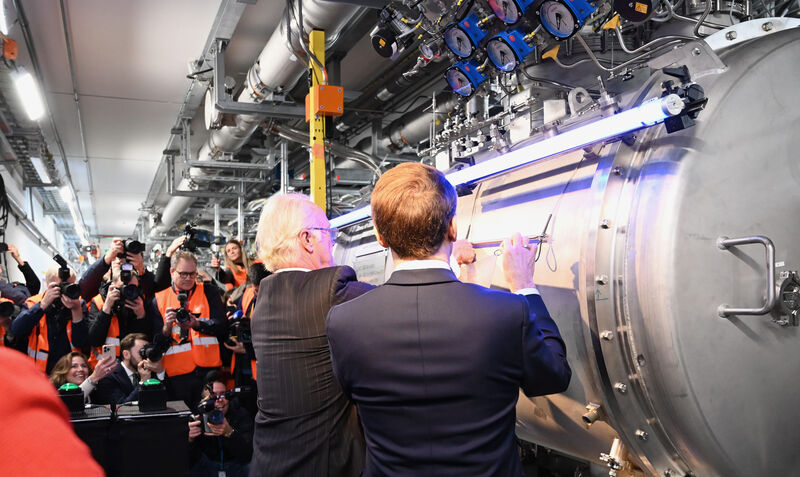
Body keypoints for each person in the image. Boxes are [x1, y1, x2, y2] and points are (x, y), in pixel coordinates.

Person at [326, 163, 572, 476]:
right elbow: (553, 376)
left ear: (380, 236)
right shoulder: (507, 313)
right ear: (453, 228)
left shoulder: (345, 321)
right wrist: (524, 286)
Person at [249, 193, 375, 477]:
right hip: (321, 464)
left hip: (271, 460)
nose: (332, 242)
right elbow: (406, 303)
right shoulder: (331, 288)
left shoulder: (265, 296)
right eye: (328, 233)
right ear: (307, 238)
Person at [0, 347, 104, 476]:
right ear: (63, 370)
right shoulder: (50, 390)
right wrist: (92, 380)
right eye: (74, 366)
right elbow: (67, 405)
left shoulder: (98, 388)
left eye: (84, 366)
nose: (80, 370)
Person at [152, 250, 226, 408]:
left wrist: (197, 324)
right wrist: (166, 327)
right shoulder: (158, 299)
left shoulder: (209, 291)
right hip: (176, 376)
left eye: (192, 274)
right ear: (172, 272)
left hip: (208, 371)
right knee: (184, 422)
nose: (188, 278)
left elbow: (222, 326)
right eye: (183, 274)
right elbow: (155, 344)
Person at [11, 264, 89, 373]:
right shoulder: (33, 302)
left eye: (71, 285)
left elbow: (81, 342)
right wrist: (42, 305)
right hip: (40, 372)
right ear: (49, 285)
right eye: (63, 286)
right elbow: (16, 330)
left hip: (70, 372)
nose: (67, 290)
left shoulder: (79, 304)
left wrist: (76, 310)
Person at [86, 267, 161, 367]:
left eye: (132, 288)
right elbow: (94, 340)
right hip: (105, 367)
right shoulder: (100, 301)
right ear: (113, 287)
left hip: (134, 366)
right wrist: (107, 307)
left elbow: (149, 340)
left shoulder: (141, 302)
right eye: (123, 287)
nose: (128, 292)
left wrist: (141, 316)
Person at [188, 371, 254, 477]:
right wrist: (190, 440)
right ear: (204, 400)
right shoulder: (197, 417)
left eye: (223, 395)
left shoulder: (240, 414)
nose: (219, 400)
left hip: (235, 465)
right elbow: (188, 460)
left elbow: (248, 455)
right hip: (208, 465)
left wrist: (230, 433)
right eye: (213, 397)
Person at [93, 332, 165, 406]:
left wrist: (160, 372)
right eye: (142, 352)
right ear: (126, 354)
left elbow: (171, 400)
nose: (146, 356)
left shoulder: (152, 371)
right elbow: (121, 408)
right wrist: (143, 382)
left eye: (147, 351)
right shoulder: (109, 377)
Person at [49, 351, 117, 402]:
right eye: (74, 366)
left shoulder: (97, 390)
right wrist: (94, 377)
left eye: (84, 366)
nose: (81, 369)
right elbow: (72, 402)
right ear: (63, 372)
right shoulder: (54, 392)